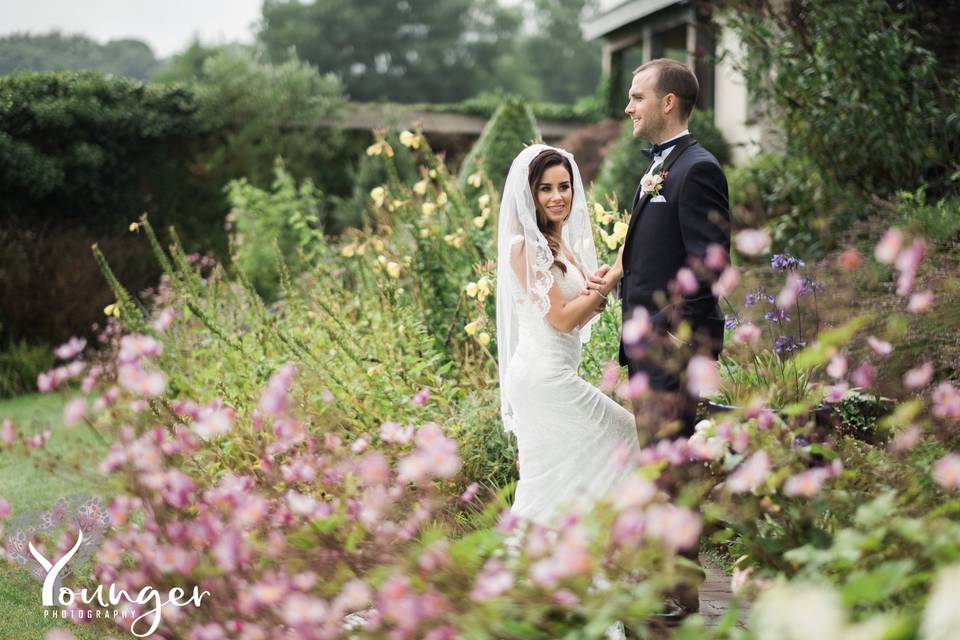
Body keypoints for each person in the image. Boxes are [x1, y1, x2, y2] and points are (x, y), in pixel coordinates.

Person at [587, 58, 731, 619]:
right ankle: (669, 591)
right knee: (661, 471)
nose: (628, 107)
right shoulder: (662, 169)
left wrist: (676, 336)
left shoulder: (696, 169)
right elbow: (659, 245)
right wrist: (618, 269)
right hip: (648, 349)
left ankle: (679, 600)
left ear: (667, 102)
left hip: (671, 350)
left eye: (636, 97)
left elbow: (709, 264)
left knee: (673, 475)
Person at [495, 144, 640, 530]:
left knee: (558, 473)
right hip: (541, 378)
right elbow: (560, 318)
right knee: (623, 433)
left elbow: (576, 307)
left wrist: (595, 286)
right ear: (531, 194)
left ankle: (561, 561)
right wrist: (611, 280)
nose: (558, 197)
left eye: (564, 186)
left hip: (556, 372)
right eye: (545, 189)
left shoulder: (559, 244)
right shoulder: (525, 247)